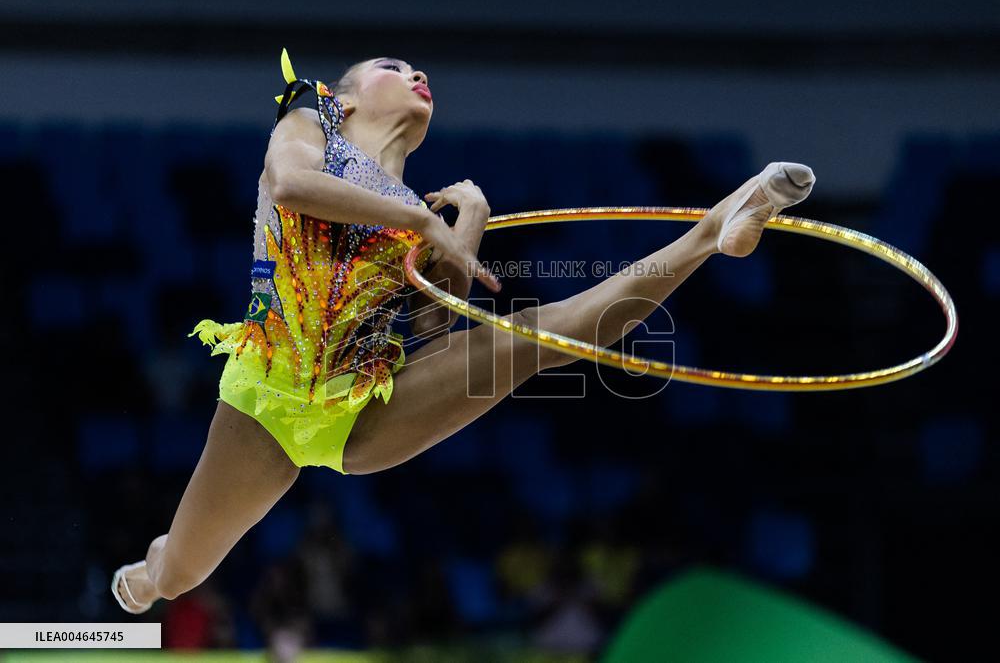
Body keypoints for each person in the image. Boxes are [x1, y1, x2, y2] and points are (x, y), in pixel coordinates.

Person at [111, 49, 815, 613]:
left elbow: (437, 333)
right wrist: (427, 224)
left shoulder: (413, 208)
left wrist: (466, 228)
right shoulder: (311, 117)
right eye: (392, 67)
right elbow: (290, 185)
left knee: (530, 342)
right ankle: (146, 574)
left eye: (417, 69)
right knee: (179, 576)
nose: (417, 73)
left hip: (363, 412)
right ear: (347, 99)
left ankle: (717, 224)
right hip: (266, 399)